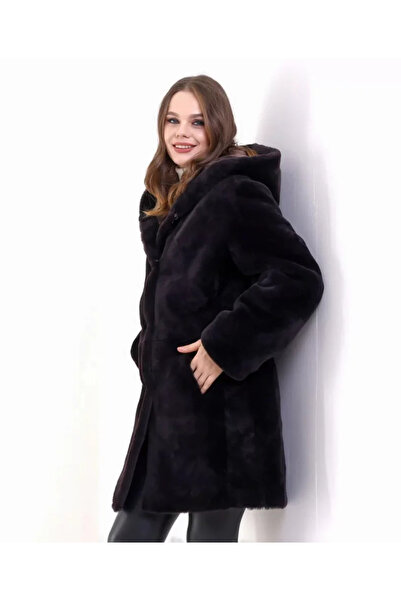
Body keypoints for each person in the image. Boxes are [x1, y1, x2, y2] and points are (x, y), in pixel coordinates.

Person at [107, 74, 324, 543]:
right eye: (173, 120)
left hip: (225, 420)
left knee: (208, 551)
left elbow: (298, 278)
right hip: (168, 411)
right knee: (128, 539)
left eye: (197, 122)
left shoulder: (234, 194)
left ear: (218, 127)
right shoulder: (168, 203)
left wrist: (225, 344)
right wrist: (148, 349)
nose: (182, 133)